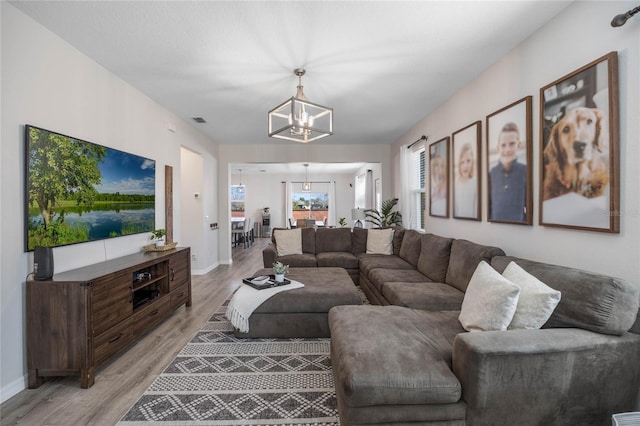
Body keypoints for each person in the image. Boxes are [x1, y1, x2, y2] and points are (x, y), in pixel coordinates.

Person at [489, 122, 526, 221]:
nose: (507, 149)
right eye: (503, 145)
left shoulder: (525, 171)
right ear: (498, 148)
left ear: (518, 145)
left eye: (512, 144)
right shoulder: (492, 173)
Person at [454, 143, 477, 218]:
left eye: (468, 161)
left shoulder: (475, 184)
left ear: (472, 162)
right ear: (459, 165)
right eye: (462, 162)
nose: (465, 166)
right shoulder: (455, 185)